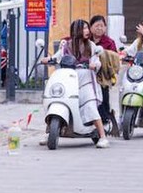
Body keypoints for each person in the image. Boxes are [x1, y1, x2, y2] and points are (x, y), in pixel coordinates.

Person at [47, 19, 110, 148]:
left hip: (86, 80)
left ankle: (103, 136)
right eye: (84, 28)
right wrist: (48, 59)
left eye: (87, 28)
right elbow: (57, 57)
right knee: (58, 100)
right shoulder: (66, 45)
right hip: (69, 78)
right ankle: (49, 132)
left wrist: (94, 65)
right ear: (76, 30)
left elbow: (96, 60)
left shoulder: (91, 45)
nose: (87, 31)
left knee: (90, 106)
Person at [89, 14, 119, 129]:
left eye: (102, 26)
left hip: (103, 74)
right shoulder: (86, 40)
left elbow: (115, 58)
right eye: (97, 26)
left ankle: (105, 119)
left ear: (105, 28)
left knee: (103, 96)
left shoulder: (109, 42)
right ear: (91, 27)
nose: (99, 28)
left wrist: (104, 56)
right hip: (89, 73)